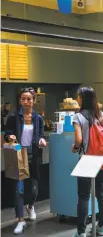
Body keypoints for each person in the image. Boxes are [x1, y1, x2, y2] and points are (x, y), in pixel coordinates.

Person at [72, 87, 103, 237]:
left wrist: (75, 147)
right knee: (101, 192)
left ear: (82, 99)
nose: (77, 98)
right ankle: (102, 226)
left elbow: (79, 140)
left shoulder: (78, 117)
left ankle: (81, 232)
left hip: (86, 160)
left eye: (78, 96)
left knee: (84, 196)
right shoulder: (100, 115)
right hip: (101, 159)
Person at [4, 87, 47, 235]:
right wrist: (9, 137)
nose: (26, 101)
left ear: (34, 101)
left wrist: (42, 140)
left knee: (34, 189)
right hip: (18, 158)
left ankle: (31, 206)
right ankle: (20, 220)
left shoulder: (39, 119)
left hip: (33, 157)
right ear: (20, 100)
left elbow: (41, 135)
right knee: (19, 190)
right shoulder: (13, 118)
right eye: (23, 99)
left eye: (29, 99)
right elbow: (7, 134)